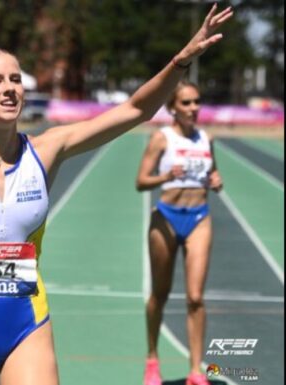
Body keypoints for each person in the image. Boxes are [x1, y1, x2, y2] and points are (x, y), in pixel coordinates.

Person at [0, 5, 232, 385]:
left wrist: (181, 61)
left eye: (15, 79)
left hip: (26, 326)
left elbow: (134, 109)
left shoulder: (47, 150)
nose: (10, 88)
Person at [136, 80, 223, 385]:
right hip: (166, 218)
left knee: (196, 297)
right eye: (186, 103)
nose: (193, 108)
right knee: (160, 294)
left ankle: (196, 370)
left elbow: (213, 176)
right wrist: (164, 175)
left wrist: (216, 181)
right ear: (173, 107)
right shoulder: (162, 139)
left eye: (196, 102)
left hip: (199, 217)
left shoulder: (206, 139)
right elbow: (141, 181)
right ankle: (152, 358)